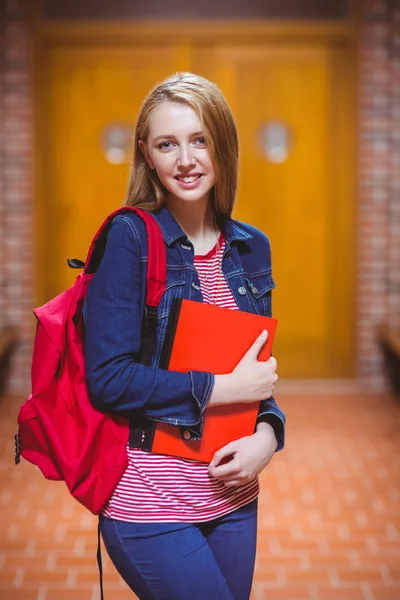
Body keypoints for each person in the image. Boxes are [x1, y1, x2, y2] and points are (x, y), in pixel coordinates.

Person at [84, 72, 286, 600]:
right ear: (148, 156)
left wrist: (267, 438)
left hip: (234, 498)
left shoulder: (250, 248)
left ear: (222, 146)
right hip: (149, 505)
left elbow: (258, 378)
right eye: (167, 144)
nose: (186, 159)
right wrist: (222, 389)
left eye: (200, 140)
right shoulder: (130, 238)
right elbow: (107, 380)